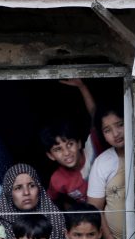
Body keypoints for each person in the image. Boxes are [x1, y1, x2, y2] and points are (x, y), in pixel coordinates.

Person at [41, 79, 103, 209]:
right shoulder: (57, 180)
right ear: (51, 156)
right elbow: (50, 204)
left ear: (79, 143)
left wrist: (82, 86)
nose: (66, 152)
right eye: (58, 149)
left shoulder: (93, 149)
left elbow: (95, 116)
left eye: (70, 144)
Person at [0, 163, 69, 239]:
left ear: (39, 188)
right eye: (18, 188)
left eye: (32, 186)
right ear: (8, 193)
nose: (26, 192)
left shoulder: (56, 219)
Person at [87, 104, 125, 239]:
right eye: (107, 130)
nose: (116, 133)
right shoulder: (102, 163)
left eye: (120, 125)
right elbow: (95, 208)